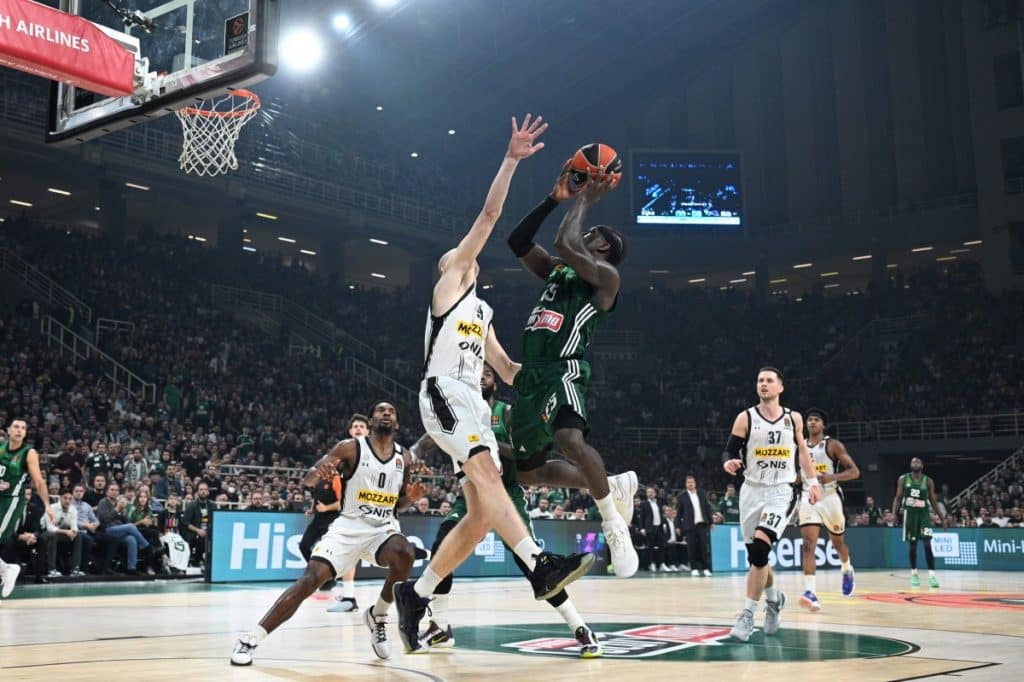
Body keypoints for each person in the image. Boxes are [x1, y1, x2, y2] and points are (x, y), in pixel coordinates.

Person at [394, 114, 593, 655]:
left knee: (482, 515)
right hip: (444, 391)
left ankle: (417, 594)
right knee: (487, 476)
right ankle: (539, 564)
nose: (457, 258)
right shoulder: (448, 289)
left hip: (475, 406)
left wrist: (555, 373)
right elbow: (488, 216)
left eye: (459, 258)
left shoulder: (481, 312)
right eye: (453, 257)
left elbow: (507, 370)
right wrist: (511, 160)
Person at [505, 160, 638, 577]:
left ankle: (613, 525)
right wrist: (552, 199)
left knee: (568, 437)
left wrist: (584, 198)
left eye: (594, 233)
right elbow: (517, 240)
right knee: (528, 474)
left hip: (565, 367)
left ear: (604, 248)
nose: (586, 232)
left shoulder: (606, 278)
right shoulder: (557, 272)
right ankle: (609, 484)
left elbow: (565, 242)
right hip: (533, 372)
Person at [414, 364, 602, 657]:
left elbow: (521, 454)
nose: (481, 377)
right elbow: (429, 439)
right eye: (477, 374)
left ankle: (580, 627)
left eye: (487, 375)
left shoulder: (508, 414)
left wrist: (485, 444)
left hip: (507, 493)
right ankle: (439, 625)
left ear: (495, 384)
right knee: (441, 546)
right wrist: (413, 453)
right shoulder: (460, 412)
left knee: (534, 566)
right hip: (471, 494)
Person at [231, 402, 425, 665]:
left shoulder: (404, 458)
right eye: (381, 411)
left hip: (382, 529)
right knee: (310, 579)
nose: (387, 413)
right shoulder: (350, 448)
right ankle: (250, 639)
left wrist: (410, 499)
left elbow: (398, 504)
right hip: (348, 527)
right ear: (371, 421)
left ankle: (377, 615)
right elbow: (308, 479)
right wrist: (317, 473)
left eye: (391, 411)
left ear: (397, 423)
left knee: (405, 552)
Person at [722, 368, 822, 642]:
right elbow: (729, 450)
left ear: (780, 387)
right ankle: (775, 599)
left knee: (760, 549)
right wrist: (728, 461)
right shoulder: (745, 417)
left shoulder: (793, 418)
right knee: (758, 559)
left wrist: (813, 482)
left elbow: (802, 452)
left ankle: (747, 615)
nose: (763, 384)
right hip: (751, 491)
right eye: (760, 381)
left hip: (782, 491)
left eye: (769, 381)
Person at [797, 408, 860, 610]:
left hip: (830, 497)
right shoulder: (800, 446)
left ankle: (846, 568)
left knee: (838, 544)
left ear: (823, 424)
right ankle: (811, 592)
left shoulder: (833, 445)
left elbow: (854, 472)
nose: (812, 422)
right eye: (809, 419)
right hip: (809, 497)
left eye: (816, 420)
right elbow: (798, 473)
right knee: (808, 544)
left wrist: (832, 477)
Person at [0, 418, 57, 597]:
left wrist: (47, 505)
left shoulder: (29, 453)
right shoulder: (1, 448)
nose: (19, 430)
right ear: (8, 430)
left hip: (11, 501)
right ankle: (6, 569)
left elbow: (38, 482)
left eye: (23, 428)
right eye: (16, 427)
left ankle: (7, 569)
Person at [319, 414, 369, 612]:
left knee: (390, 554)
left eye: (362, 426)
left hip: (374, 510)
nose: (358, 429)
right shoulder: (344, 453)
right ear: (350, 431)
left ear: (368, 431)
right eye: (355, 426)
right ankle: (349, 596)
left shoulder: (376, 452)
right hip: (353, 512)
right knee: (348, 554)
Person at [892, 457, 945, 588]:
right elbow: (898, 498)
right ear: (910, 465)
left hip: (924, 515)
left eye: (918, 462)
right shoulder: (903, 479)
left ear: (922, 465)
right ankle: (914, 574)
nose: (915, 463)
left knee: (927, 545)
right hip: (910, 515)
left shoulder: (928, 481)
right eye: (913, 462)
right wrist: (894, 514)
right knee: (913, 546)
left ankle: (932, 576)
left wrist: (942, 518)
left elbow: (933, 501)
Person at [42, 489, 84, 577]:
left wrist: (73, 532)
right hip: (44, 532)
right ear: (60, 498)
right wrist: (66, 532)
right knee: (52, 535)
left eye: (70, 499)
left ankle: (75, 569)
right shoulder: (52, 508)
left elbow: (74, 526)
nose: (67, 501)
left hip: (61, 533)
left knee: (78, 536)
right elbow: (50, 528)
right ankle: (51, 570)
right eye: (65, 498)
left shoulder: (73, 510)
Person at [677, 475, 713, 577]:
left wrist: (711, 522)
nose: (690, 484)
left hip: (702, 524)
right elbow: (679, 513)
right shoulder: (682, 496)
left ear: (695, 483)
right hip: (689, 526)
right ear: (686, 484)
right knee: (691, 548)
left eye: (692, 482)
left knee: (704, 548)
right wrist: (678, 526)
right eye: (688, 482)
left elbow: (707, 508)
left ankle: (706, 568)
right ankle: (694, 568)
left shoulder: (701, 494)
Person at [181, 481, 213, 567]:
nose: (203, 491)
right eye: (201, 489)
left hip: (209, 532)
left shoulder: (212, 505)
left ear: (208, 492)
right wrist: (198, 530)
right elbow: (185, 522)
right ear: (197, 492)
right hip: (194, 532)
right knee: (200, 539)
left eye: (205, 489)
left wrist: (208, 531)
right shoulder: (191, 505)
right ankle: (196, 562)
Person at [638, 487, 665, 572]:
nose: (650, 494)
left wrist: (664, 524)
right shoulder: (644, 504)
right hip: (650, 528)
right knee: (650, 547)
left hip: (659, 527)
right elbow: (641, 517)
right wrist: (642, 528)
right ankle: (652, 563)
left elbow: (661, 515)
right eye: (648, 492)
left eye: (652, 492)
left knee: (662, 546)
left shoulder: (659, 502)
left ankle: (661, 564)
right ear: (646, 494)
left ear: (655, 493)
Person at [661, 506, 684, 571]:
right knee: (670, 546)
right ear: (664, 512)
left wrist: (682, 539)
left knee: (684, 545)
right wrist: (667, 540)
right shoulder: (663, 522)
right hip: (667, 541)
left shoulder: (676, 521)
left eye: (670, 510)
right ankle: (671, 564)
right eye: (667, 510)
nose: (668, 512)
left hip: (676, 540)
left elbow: (680, 532)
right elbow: (661, 534)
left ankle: (681, 564)